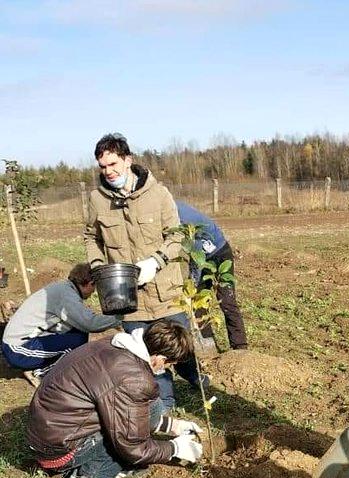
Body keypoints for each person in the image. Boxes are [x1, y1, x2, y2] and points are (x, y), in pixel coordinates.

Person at [83, 133, 202, 410]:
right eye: (103, 167)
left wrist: (156, 261)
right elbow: (91, 237)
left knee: (181, 350)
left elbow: (177, 236)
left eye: (113, 164)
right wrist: (99, 268)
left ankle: (199, 382)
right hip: (128, 298)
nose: (108, 172)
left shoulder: (158, 194)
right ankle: (165, 407)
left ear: (128, 160)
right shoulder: (97, 200)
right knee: (143, 357)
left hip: (166, 291)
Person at [26, 319, 204, 478]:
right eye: (169, 364)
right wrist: (174, 449)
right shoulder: (133, 377)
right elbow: (134, 447)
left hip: (45, 435)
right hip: (59, 452)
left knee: (148, 407)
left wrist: (172, 425)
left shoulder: (114, 344)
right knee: (130, 431)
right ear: (160, 358)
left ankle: (98, 466)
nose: (167, 369)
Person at [1, 263, 121, 385]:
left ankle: (44, 366)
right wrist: (119, 319)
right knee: (76, 342)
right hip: (17, 349)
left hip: (22, 341)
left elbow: (80, 321)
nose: (93, 292)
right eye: (95, 288)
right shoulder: (67, 296)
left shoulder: (64, 288)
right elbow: (90, 323)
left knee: (78, 333)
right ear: (90, 284)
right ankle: (39, 371)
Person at [176, 201, 248, 351]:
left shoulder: (180, 216)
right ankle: (209, 347)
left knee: (227, 301)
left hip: (220, 254)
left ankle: (240, 348)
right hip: (204, 255)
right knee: (200, 304)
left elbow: (196, 257)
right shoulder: (171, 208)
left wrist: (193, 284)